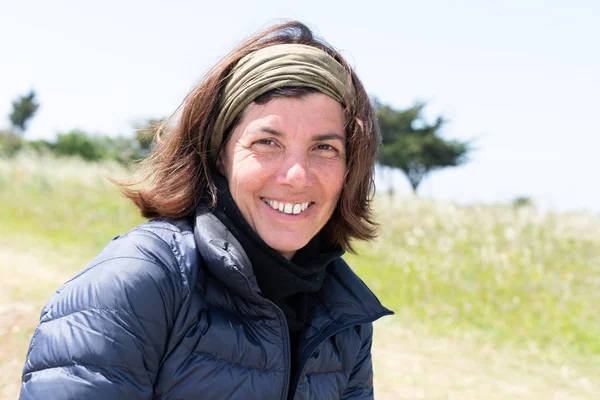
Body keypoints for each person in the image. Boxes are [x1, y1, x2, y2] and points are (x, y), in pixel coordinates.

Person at [20, 21, 392, 399]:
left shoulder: (344, 315)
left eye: (324, 148)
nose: (297, 176)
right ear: (220, 156)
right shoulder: (140, 281)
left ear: (350, 168)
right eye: (266, 142)